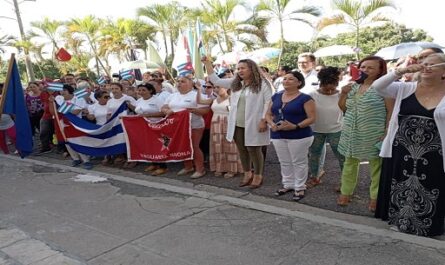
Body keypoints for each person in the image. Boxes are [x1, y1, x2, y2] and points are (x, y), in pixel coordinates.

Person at [372, 53, 445, 237]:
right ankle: (400, 222)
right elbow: (378, 87)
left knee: (432, 188)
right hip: (402, 150)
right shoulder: (405, 88)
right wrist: (400, 71)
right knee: (402, 186)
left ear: (444, 71)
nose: (427, 67)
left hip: (435, 153)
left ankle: (428, 227)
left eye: (433, 65)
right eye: (424, 63)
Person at [203, 57, 273, 189]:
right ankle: (247, 174)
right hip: (237, 122)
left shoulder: (263, 83)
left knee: (254, 149)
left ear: (252, 69)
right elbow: (216, 80)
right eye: (238, 68)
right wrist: (207, 64)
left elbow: (269, 102)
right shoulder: (236, 83)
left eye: (243, 68)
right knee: (242, 149)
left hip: (255, 122)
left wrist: (264, 120)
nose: (240, 71)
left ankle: (258, 175)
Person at [337, 56, 394, 212]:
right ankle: (346, 192)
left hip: (373, 132)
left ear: (380, 71)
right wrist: (343, 93)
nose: (365, 70)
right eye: (363, 67)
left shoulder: (385, 88)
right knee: (349, 162)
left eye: (370, 68)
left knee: (376, 166)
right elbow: (343, 108)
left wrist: (387, 132)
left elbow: (391, 111)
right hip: (351, 131)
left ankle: (375, 197)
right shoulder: (353, 87)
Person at [265, 70, 315, 201]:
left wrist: (295, 126)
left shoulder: (305, 98)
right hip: (278, 134)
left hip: (299, 135)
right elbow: (268, 114)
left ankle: (299, 186)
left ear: (299, 82)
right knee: (284, 161)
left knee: (299, 161)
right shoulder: (276, 96)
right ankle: (288, 184)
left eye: (290, 79)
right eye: (285, 78)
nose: (286, 81)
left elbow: (312, 118)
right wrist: (271, 124)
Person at [161, 76, 210, 179]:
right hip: (177, 126)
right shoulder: (172, 96)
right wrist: (167, 111)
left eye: (183, 81)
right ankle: (188, 167)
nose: (179, 83)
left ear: (191, 84)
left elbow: (206, 111)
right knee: (183, 145)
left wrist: (191, 110)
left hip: (194, 125)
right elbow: (164, 107)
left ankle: (200, 169)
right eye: (178, 81)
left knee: (194, 146)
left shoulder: (197, 95)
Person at [306, 67, 345, 188]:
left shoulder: (341, 95)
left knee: (342, 156)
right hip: (316, 130)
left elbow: (346, 110)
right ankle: (314, 177)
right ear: (321, 83)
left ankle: (345, 182)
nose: (329, 91)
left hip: (337, 130)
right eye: (326, 88)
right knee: (314, 155)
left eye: (332, 87)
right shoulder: (311, 95)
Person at [197, 81, 244, 178]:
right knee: (217, 146)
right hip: (215, 125)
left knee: (230, 146)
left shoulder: (232, 99)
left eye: (219, 87)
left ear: (227, 88)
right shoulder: (213, 99)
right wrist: (198, 89)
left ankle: (232, 169)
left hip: (228, 123)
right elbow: (200, 101)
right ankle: (220, 168)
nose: (216, 89)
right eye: (215, 87)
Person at [50, 84, 93, 170]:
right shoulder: (58, 98)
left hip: (76, 123)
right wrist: (51, 102)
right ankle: (75, 159)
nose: (62, 92)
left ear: (70, 91)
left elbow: (75, 112)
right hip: (63, 123)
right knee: (67, 142)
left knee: (79, 142)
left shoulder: (79, 99)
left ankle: (86, 160)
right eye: (61, 90)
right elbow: (53, 112)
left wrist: (63, 109)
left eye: (64, 90)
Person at [134, 83, 167, 176]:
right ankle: (154, 164)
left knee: (158, 146)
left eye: (143, 90)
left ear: (150, 90)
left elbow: (163, 113)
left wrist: (147, 115)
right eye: (139, 90)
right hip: (143, 127)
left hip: (156, 126)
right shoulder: (139, 100)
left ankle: (162, 166)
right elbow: (137, 112)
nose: (141, 92)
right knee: (148, 145)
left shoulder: (157, 100)